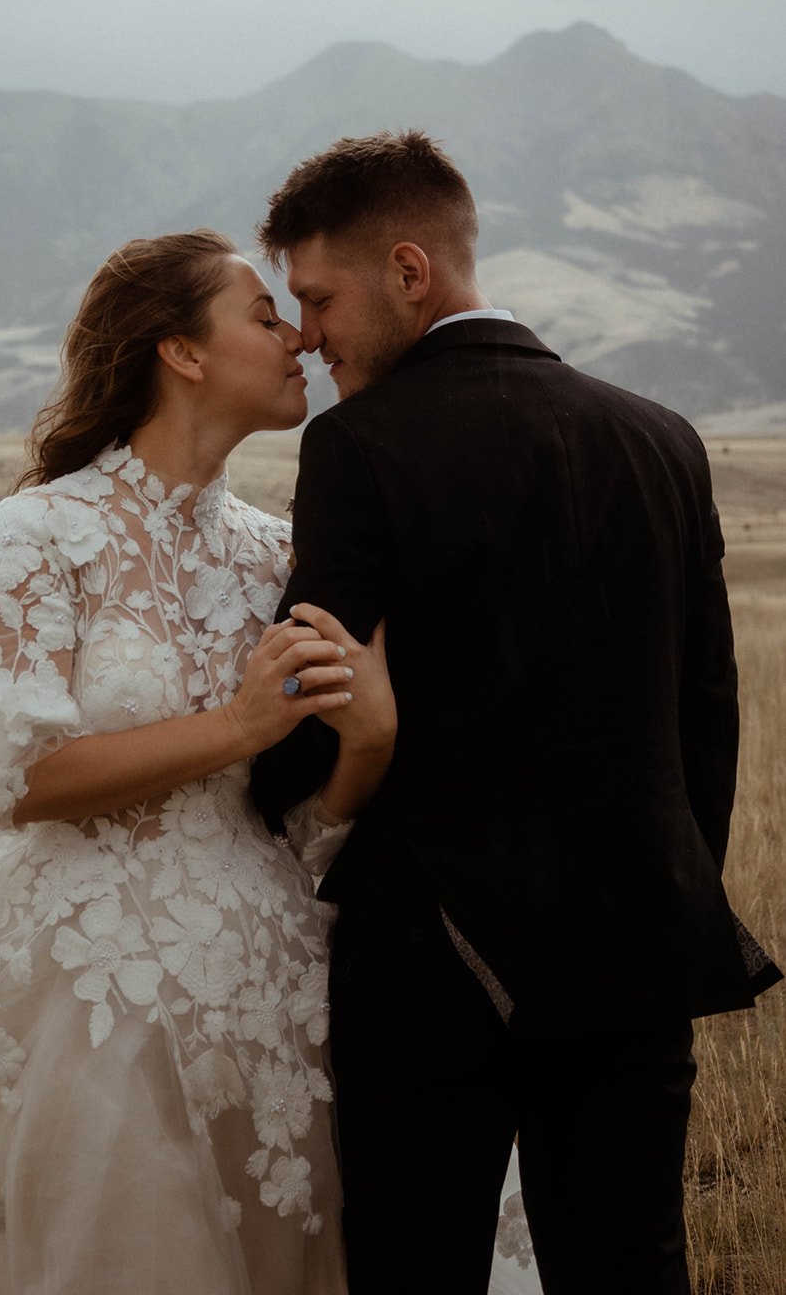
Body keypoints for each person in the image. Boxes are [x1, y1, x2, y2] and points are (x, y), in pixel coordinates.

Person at [249, 131, 782, 1295]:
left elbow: (305, 704)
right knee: (629, 1264)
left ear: (407, 271)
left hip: (427, 960)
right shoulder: (661, 437)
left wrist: (278, 791)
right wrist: (665, 872)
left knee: (414, 1267)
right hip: (639, 942)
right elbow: (704, 714)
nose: (305, 334)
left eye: (317, 297)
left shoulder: (358, 447)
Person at [0, 229, 406, 1295]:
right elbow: (12, 783)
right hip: (98, 1004)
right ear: (182, 351)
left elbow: (294, 825)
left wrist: (368, 746)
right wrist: (239, 726)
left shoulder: (274, 551)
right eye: (262, 315)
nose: (296, 334)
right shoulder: (38, 533)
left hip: (273, 990)